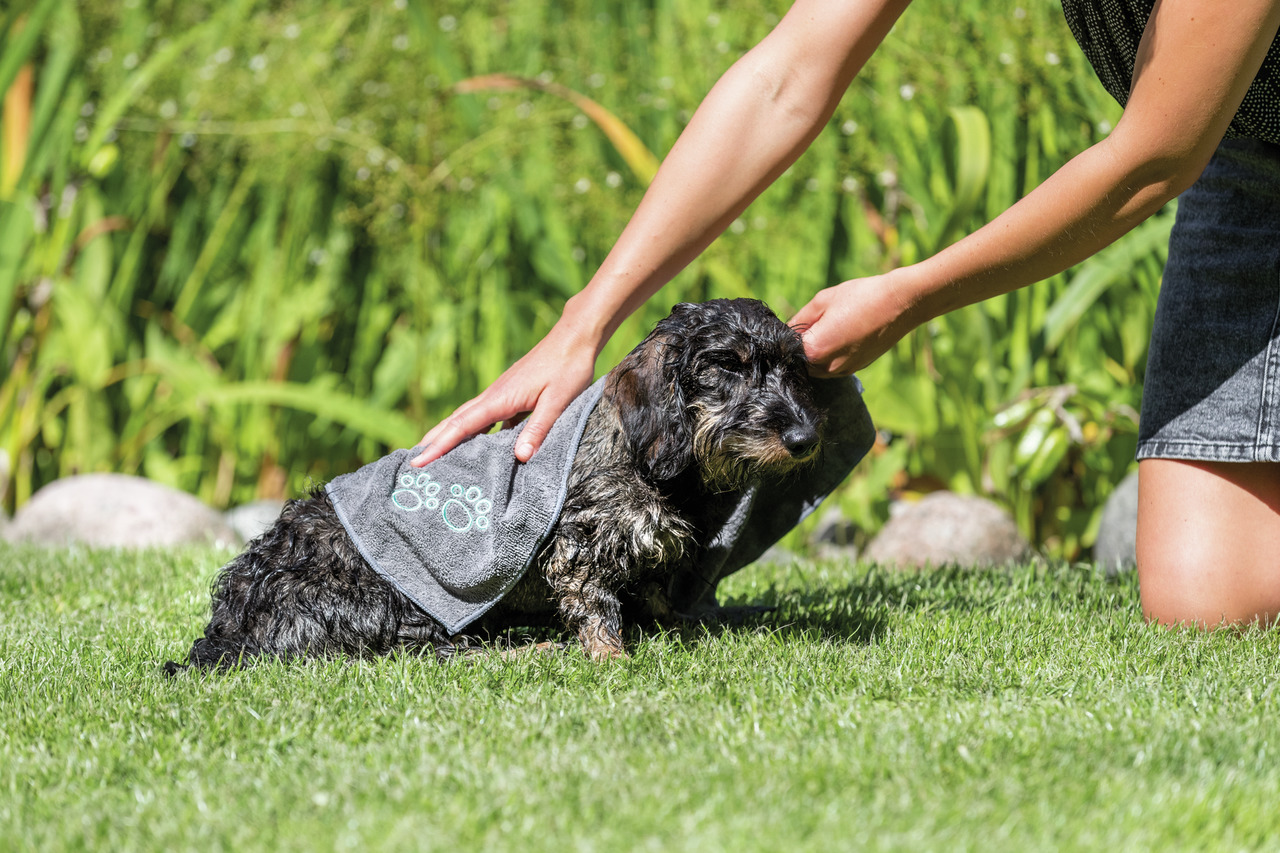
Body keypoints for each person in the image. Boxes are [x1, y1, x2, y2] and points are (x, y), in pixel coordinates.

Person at [412, 0, 1280, 628]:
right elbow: (789, 75)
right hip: (1248, 161)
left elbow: (1152, 157)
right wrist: (586, 318)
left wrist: (912, 294)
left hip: (1198, 148)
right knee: (1211, 605)